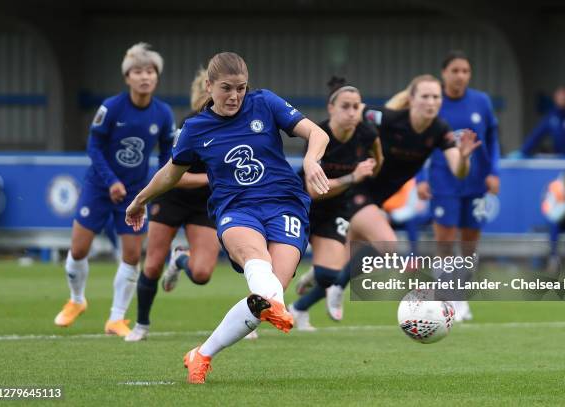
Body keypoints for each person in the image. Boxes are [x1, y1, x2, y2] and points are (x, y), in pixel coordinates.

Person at [125, 52, 330, 384]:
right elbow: (170, 174)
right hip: (236, 208)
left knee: (270, 294)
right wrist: (139, 200)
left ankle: (201, 354)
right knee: (255, 260)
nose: (235, 96)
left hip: (286, 205)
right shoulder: (195, 128)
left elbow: (317, 134)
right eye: (226, 88)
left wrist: (311, 160)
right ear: (209, 86)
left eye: (241, 88)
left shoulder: (265, 103)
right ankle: (269, 303)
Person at [324, 74, 481, 320]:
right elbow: (355, 111)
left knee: (338, 262)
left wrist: (464, 157)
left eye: (436, 97)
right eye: (425, 96)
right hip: (359, 188)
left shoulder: (440, 130)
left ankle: (306, 299)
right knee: (388, 244)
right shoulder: (390, 118)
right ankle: (335, 286)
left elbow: (459, 172)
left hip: (378, 198)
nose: (431, 102)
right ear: (412, 99)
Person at [54, 43, 175, 337]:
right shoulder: (111, 107)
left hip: (134, 192)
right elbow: (93, 146)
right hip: (99, 186)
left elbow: (166, 155)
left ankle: (116, 319)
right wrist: (111, 182)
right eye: (138, 71)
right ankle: (77, 299)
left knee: (132, 255)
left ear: (156, 77)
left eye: (150, 71)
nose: (144, 77)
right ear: (127, 77)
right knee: (79, 248)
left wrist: (152, 191)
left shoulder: (163, 113)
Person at [125, 68, 221, 342]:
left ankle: (180, 257)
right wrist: (211, 177)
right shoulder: (191, 124)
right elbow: (173, 176)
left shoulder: (237, 125)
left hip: (205, 204)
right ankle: (141, 325)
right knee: (152, 266)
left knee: (202, 274)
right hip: (173, 198)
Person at [289, 76, 381, 331]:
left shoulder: (367, 133)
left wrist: (372, 166)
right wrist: (353, 176)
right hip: (303, 203)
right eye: (346, 106)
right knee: (280, 270)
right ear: (331, 108)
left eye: (357, 106)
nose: (353, 112)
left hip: (337, 207)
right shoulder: (320, 135)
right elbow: (314, 190)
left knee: (330, 277)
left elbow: (378, 160)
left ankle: (300, 306)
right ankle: (250, 323)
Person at [416, 50, 500, 321]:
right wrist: (420, 178)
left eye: (465, 71)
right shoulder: (434, 103)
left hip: (475, 182)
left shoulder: (481, 102)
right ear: (444, 74)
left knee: (469, 244)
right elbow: (419, 143)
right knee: (444, 241)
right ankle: (445, 298)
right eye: (455, 70)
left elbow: (493, 140)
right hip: (443, 180)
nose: (460, 76)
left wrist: (493, 172)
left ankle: (462, 299)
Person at [511, 86, 565, 158]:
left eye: (563, 98)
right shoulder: (551, 117)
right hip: (560, 157)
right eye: (559, 98)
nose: (561, 101)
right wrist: (523, 151)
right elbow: (536, 135)